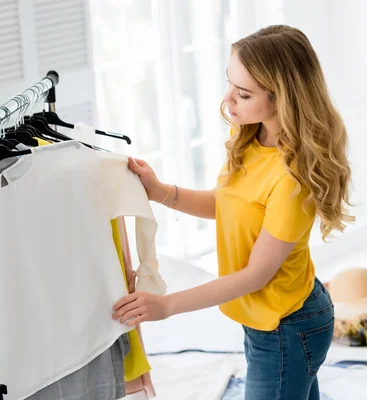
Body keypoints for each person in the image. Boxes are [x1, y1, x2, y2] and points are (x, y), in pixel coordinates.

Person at [112, 25, 354, 399]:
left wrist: (168, 305)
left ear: (282, 99)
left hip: (287, 326)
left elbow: (256, 275)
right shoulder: (251, 140)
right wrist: (162, 193)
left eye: (243, 93)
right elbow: (230, 205)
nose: (228, 100)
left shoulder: (292, 180)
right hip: (272, 319)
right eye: (231, 85)